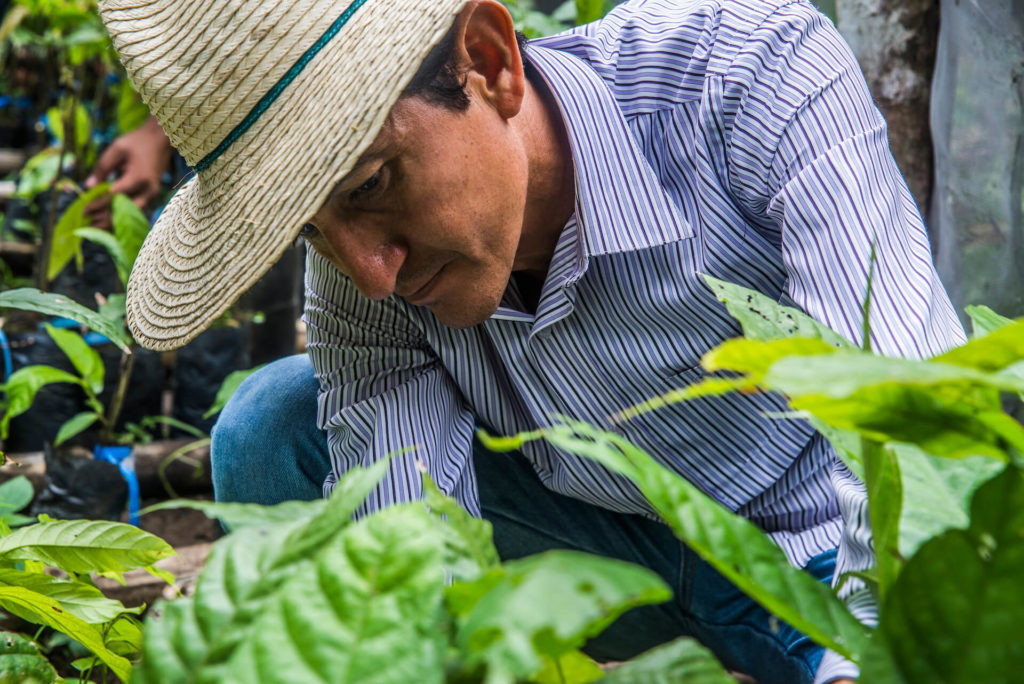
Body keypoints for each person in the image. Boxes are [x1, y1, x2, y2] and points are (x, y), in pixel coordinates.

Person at [96, 0, 964, 682]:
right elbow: (402, 537)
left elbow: (911, 441)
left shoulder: (749, 76)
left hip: (808, 558)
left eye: (368, 185)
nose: (370, 272)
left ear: (490, 61)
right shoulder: (365, 274)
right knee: (274, 427)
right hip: (593, 555)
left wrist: (880, 658)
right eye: (314, 233)